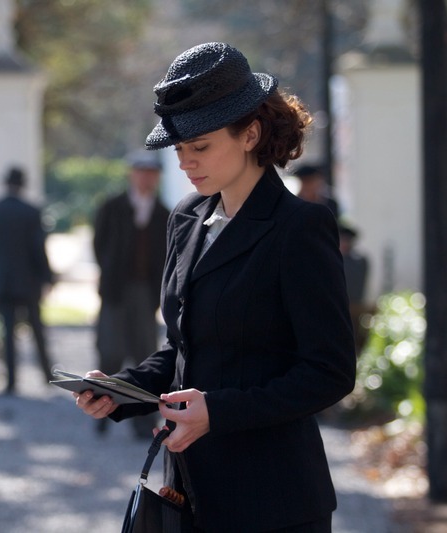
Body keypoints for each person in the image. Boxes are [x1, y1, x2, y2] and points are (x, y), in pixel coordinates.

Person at [74, 42, 356, 531]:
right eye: (178, 148)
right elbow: (188, 346)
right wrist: (126, 389)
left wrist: (217, 413)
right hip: (187, 491)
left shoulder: (300, 228)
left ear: (250, 133)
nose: (185, 162)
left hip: (273, 500)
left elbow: (330, 371)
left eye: (199, 146)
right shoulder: (185, 217)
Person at [93, 149, 170, 438]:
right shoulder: (112, 207)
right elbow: (99, 244)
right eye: (141, 172)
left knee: (144, 354)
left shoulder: (164, 212)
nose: (146, 178)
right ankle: (101, 411)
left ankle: (142, 421)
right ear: (132, 174)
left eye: (151, 173)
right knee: (110, 351)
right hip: (115, 289)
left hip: (146, 291)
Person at [0, 167, 55, 395]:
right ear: (23, 184)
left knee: (7, 332)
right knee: (37, 331)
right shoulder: (31, 211)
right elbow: (38, 248)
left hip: (2, 280)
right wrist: (47, 276)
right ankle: (47, 376)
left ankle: (11, 381)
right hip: (28, 281)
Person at [338, 220, 371, 352]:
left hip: (354, 307)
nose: (345, 244)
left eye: (348, 241)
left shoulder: (359, 261)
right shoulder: (333, 259)